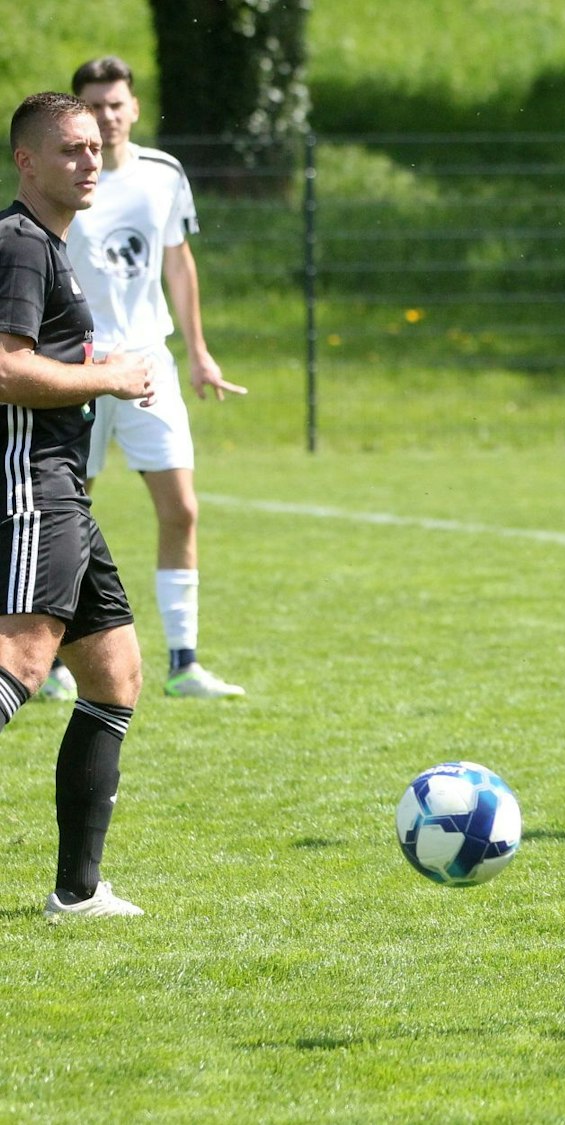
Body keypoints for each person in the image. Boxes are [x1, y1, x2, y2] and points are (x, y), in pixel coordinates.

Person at [1, 92, 159, 920]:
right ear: (26, 161)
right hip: (33, 482)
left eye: (95, 147)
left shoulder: (49, 248)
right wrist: (108, 376)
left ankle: (78, 890)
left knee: (115, 673)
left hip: (64, 485)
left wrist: (88, 358)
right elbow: (3, 368)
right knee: (24, 663)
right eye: (70, 149)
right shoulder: (21, 244)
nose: (90, 160)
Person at [48, 55, 248, 703]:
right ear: (76, 114)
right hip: (77, 368)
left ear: (134, 107)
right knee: (65, 512)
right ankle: (50, 657)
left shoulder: (163, 174)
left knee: (181, 508)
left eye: (115, 104)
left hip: (147, 364)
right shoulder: (62, 177)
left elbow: (178, 261)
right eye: (93, 106)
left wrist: (199, 352)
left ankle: (184, 662)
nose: (106, 117)